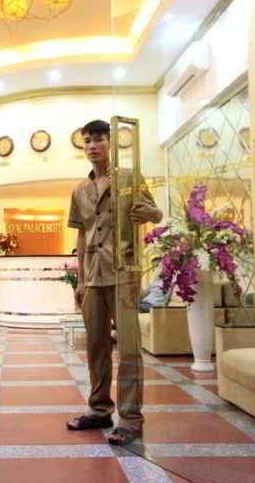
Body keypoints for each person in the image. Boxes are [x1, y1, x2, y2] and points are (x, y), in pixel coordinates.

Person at [66, 119, 163, 446]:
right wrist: (80, 281)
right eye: (87, 141)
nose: (92, 146)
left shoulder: (130, 178)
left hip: (123, 273)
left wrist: (148, 214)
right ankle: (99, 410)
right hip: (93, 276)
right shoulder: (80, 190)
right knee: (96, 347)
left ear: (110, 142)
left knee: (129, 349)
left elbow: (156, 213)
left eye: (98, 140)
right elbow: (82, 236)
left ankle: (131, 419)